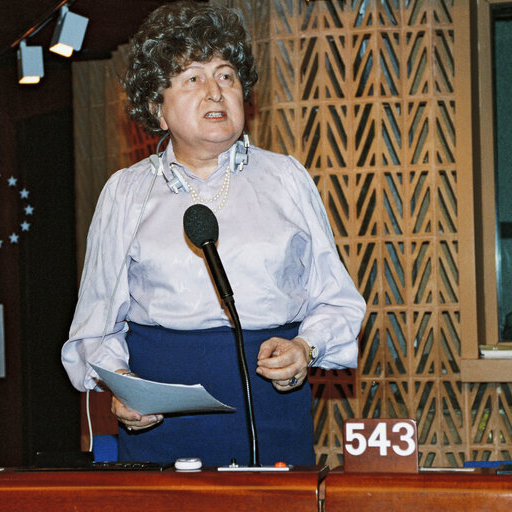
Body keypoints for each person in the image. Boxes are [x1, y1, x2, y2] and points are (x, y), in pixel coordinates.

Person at [61, 1, 366, 467]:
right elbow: (96, 324)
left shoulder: (286, 177)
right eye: (192, 78)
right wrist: (121, 386)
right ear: (156, 109)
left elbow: (337, 299)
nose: (215, 92)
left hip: (271, 405)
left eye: (226, 75)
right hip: (162, 419)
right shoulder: (126, 192)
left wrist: (305, 349)